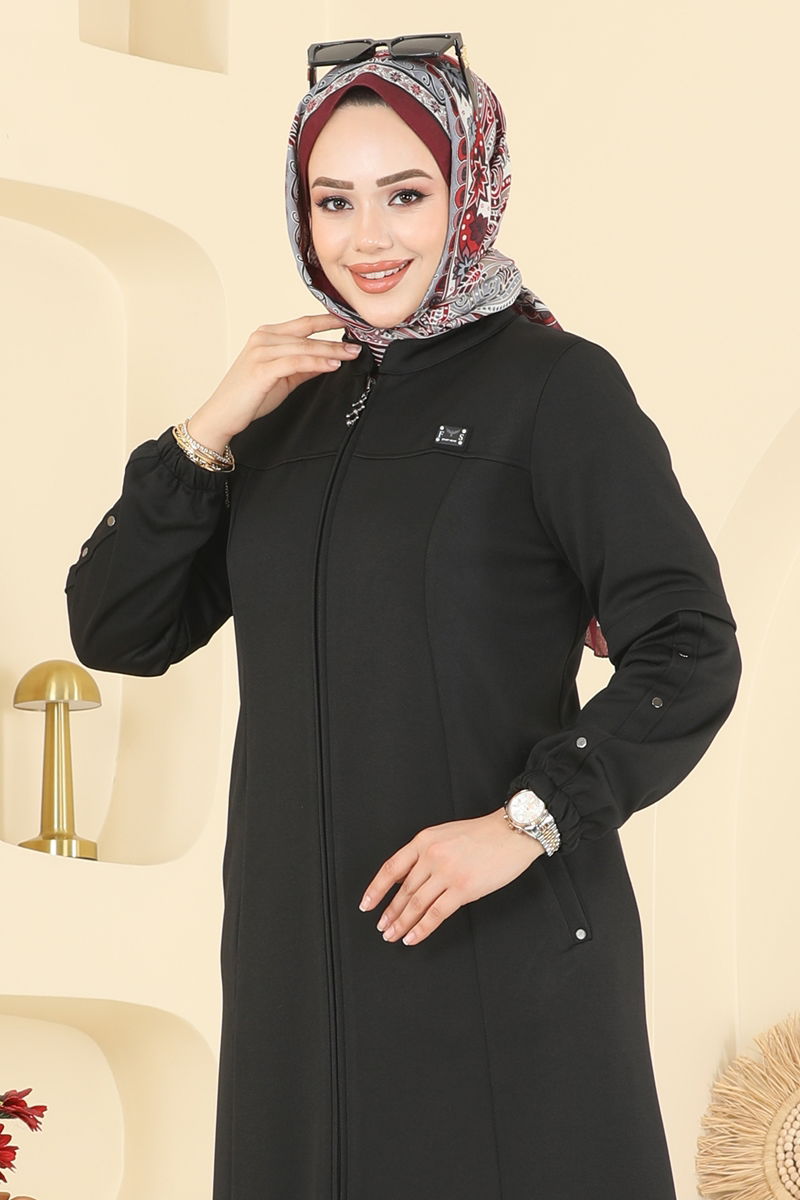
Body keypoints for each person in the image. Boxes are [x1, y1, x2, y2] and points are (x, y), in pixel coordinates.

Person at [64, 36, 742, 1200]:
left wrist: (526, 821)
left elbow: (686, 645)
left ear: (467, 192)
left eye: (405, 195)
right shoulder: (284, 410)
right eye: (333, 201)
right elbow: (117, 628)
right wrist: (209, 426)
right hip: (299, 971)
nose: (366, 238)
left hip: (496, 949)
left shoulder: (553, 387)